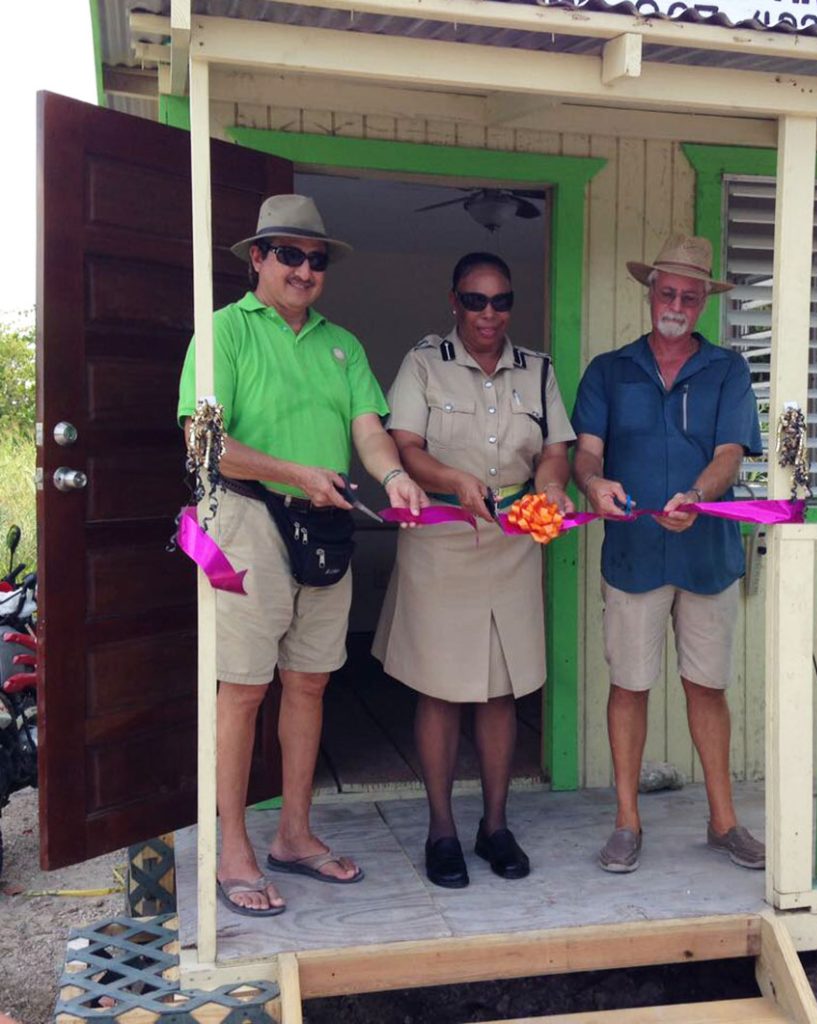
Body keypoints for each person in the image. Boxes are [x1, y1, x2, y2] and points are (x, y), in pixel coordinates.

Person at [177, 194, 426, 916]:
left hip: (325, 524)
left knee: (310, 683)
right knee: (244, 689)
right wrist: (296, 473)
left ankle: (293, 834)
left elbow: (370, 428)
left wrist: (395, 475)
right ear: (257, 257)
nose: (304, 269)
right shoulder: (220, 333)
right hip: (247, 519)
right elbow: (207, 444)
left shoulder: (340, 343)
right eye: (289, 254)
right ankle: (234, 849)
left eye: (316, 259)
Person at [372, 252, 576, 888]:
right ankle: (441, 830)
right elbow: (406, 448)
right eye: (476, 300)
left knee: (500, 688)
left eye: (502, 301)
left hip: (514, 536)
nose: (490, 314)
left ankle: (495, 826)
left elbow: (555, 450)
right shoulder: (423, 362)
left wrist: (549, 487)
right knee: (439, 688)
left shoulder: (537, 369)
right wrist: (454, 480)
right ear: (454, 301)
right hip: (442, 537)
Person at [571, 234, 765, 873]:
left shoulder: (728, 370)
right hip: (633, 552)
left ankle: (723, 821)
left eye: (689, 294)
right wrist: (593, 484)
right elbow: (587, 452)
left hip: (706, 553)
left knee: (706, 688)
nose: (676, 303)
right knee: (630, 685)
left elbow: (730, 455)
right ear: (649, 292)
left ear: (703, 302)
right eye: (667, 291)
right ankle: (626, 821)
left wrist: (697, 495)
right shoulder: (609, 368)